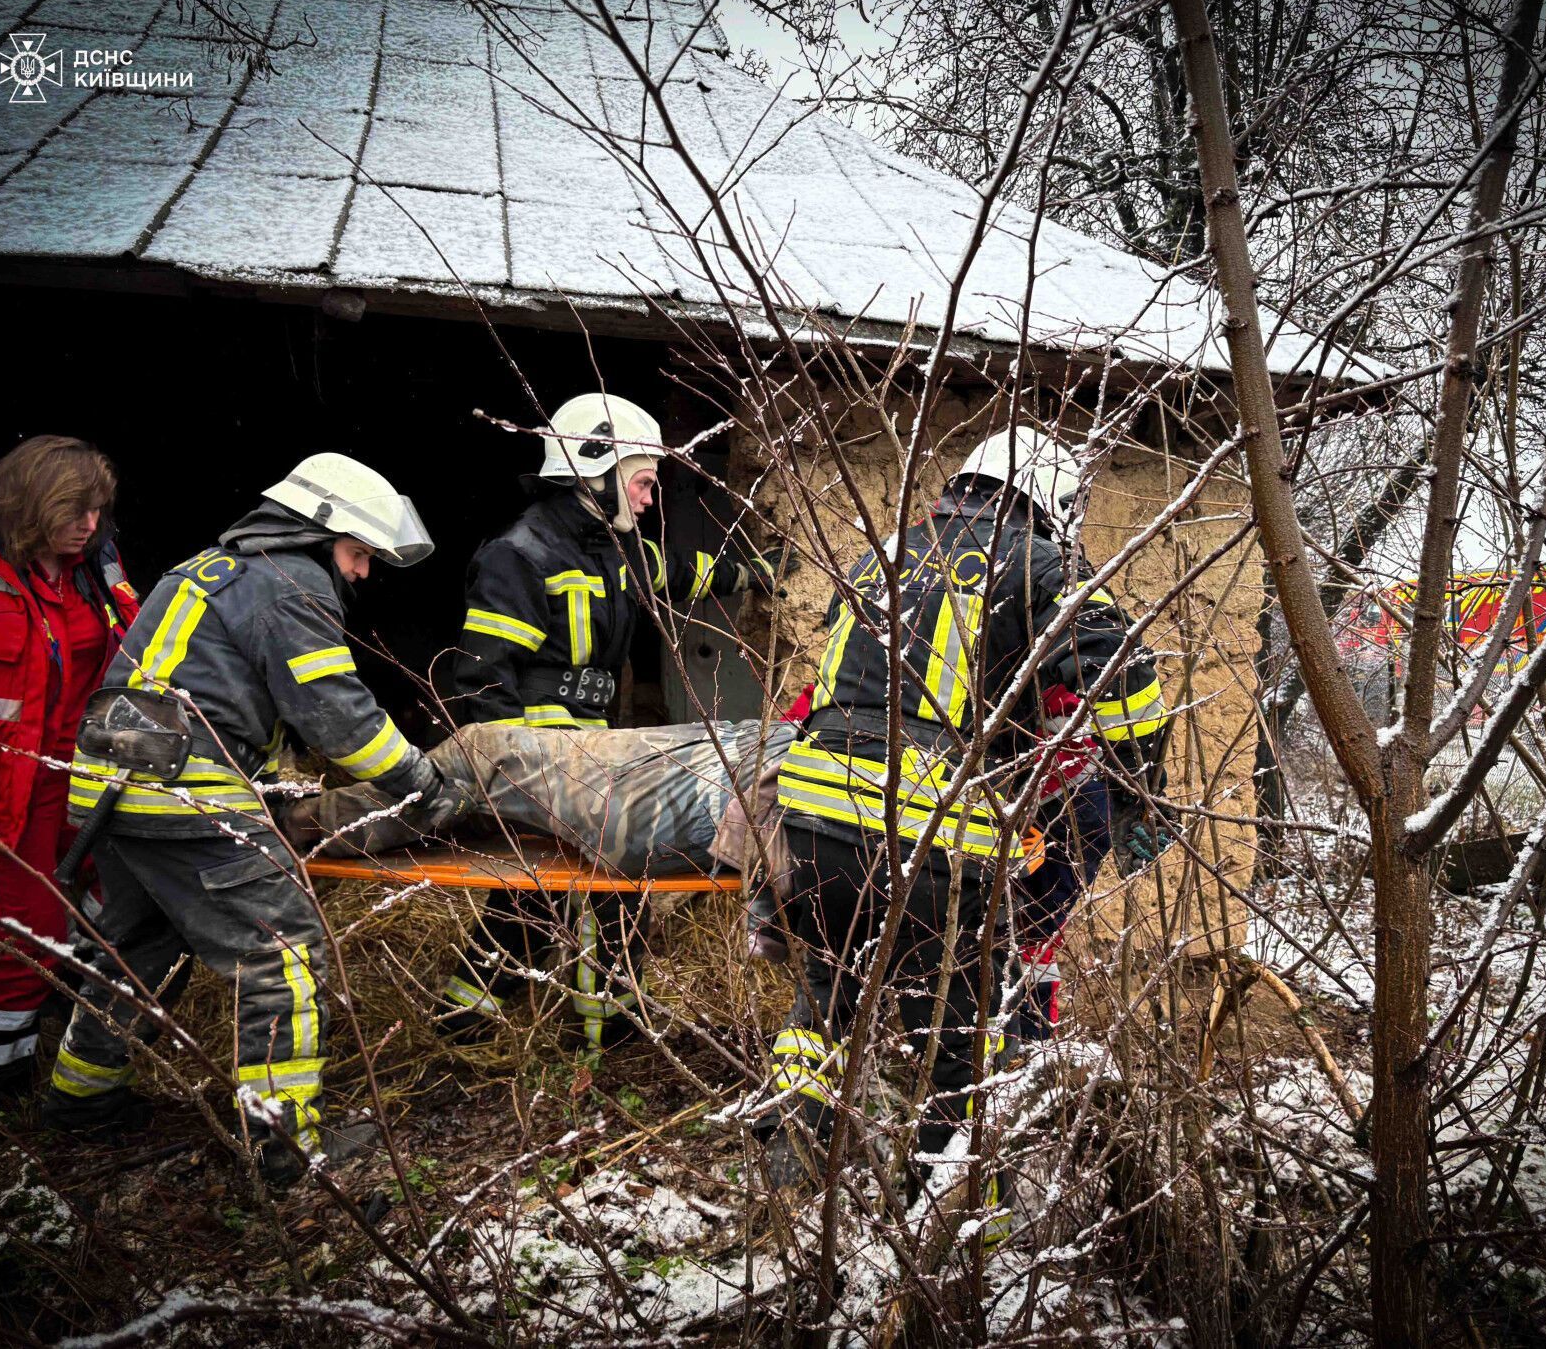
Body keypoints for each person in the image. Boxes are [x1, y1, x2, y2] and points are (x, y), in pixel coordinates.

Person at [756, 423, 1169, 1243]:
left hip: (808, 828)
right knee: (963, 1049)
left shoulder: (882, 555)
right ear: (1048, 504)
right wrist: (1140, 792)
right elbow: (1127, 682)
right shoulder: (1042, 565)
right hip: (927, 843)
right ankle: (947, 1237)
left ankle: (778, 1179)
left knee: (825, 1002)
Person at [41, 454, 461, 1185]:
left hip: (114, 788)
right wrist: (419, 779)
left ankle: (81, 1095)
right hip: (187, 795)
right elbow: (340, 718)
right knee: (282, 954)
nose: (361, 573)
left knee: (135, 944)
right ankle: (285, 1149)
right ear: (317, 530)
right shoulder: (289, 584)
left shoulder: (208, 567)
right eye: (360, 554)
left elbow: (217, 689)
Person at [443, 392, 784, 1048]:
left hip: (597, 748)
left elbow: (684, 574)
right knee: (589, 886)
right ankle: (594, 1026)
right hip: (539, 754)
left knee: (551, 893)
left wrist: (755, 574)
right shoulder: (521, 553)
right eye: (645, 481)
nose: (653, 499)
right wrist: (507, 780)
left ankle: (478, 1016)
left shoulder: (616, 550)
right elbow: (482, 681)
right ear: (596, 464)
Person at [0, 436, 140, 1106]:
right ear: (34, 503)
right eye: (76, 509)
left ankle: (60, 1016)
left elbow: (133, 642)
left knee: (119, 891)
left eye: (98, 509)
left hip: (78, 772)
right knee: (23, 927)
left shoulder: (94, 560)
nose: (90, 523)